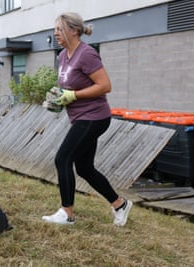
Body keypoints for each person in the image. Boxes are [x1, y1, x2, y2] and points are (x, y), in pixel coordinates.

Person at [42, 12, 133, 226]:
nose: (55, 33)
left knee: (62, 158)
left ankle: (67, 213)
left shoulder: (87, 54)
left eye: (59, 28)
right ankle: (120, 204)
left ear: (74, 30)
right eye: (54, 29)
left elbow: (104, 86)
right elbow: (71, 85)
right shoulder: (63, 55)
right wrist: (59, 97)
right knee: (84, 168)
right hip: (80, 116)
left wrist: (74, 95)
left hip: (94, 116)